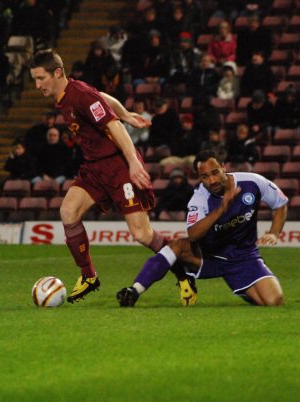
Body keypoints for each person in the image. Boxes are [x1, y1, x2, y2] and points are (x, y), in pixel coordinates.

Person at [29, 49, 196, 304]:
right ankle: (89, 276)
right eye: (35, 79)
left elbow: (113, 126)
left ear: (58, 72)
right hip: (95, 167)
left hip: (118, 166)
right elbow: (104, 97)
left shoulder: (79, 94)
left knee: (142, 234)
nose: (37, 85)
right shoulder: (67, 95)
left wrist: (132, 163)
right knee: (68, 212)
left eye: (41, 78)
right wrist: (127, 113)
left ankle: (183, 274)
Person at [116, 149, 287, 307]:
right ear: (199, 177)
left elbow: (280, 204)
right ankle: (135, 291)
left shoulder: (252, 182)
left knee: (274, 301)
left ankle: (240, 283)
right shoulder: (199, 198)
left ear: (223, 167)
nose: (212, 180)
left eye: (215, 173)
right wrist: (221, 209)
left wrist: (274, 233)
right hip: (210, 256)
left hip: (245, 257)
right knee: (176, 246)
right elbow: (193, 235)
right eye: (205, 176)